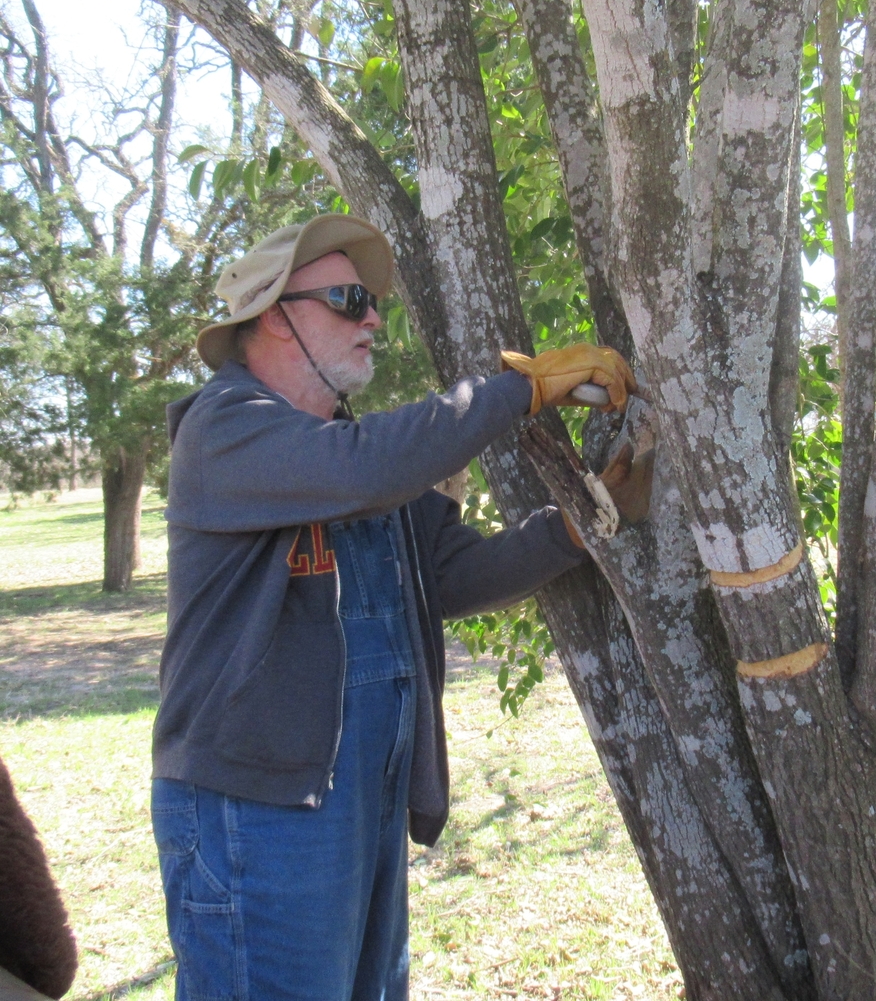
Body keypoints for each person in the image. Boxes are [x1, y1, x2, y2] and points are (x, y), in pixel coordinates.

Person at [151, 214, 635, 1001]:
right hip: (257, 813)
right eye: (348, 299)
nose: (373, 318)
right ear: (274, 314)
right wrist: (518, 390)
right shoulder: (224, 428)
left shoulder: (352, 453)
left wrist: (579, 526)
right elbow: (370, 467)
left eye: (372, 301)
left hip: (361, 799)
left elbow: (448, 575)